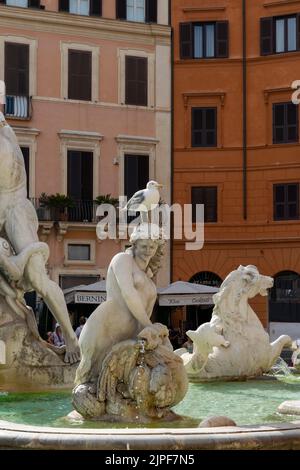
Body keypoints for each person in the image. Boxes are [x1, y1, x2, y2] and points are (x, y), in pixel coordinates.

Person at [75, 223, 166, 386]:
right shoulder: (122, 260)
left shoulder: (149, 279)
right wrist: (150, 326)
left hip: (129, 335)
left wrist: (148, 332)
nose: (148, 251)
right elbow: (128, 293)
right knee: (90, 380)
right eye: (144, 246)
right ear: (134, 245)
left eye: (152, 247)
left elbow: (145, 311)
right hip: (104, 330)